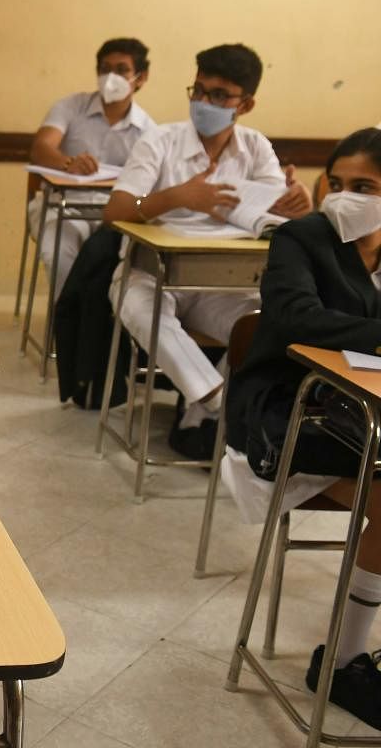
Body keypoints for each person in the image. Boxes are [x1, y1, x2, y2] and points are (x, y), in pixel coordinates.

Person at [223, 128, 381, 729]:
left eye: (363, 187)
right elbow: (295, 320)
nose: (343, 197)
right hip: (293, 409)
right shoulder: (300, 238)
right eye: (336, 184)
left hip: (366, 408)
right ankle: (342, 663)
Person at [103, 43, 313, 459]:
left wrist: (296, 204)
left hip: (221, 283)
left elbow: (274, 214)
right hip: (150, 273)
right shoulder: (160, 140)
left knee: (265, 326)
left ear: (245, 104)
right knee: (145, 309)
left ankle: (200, 419)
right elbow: (115, 212)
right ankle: (219, 404)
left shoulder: (255, 148)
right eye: (198, 90)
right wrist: (177, 197)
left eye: (219, 96)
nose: (203, 102)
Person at [28, 37, 156, 298]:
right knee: (58, 251)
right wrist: (68, 163)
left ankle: (96, 326)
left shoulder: (148, 130)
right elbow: (41, 148)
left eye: (122, 70)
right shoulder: (70, 107)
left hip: (112, 215)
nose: (111, 76)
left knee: (126, 261)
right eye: (105, 68)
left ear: (141, 78)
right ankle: (66, 325)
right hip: (59, 205)